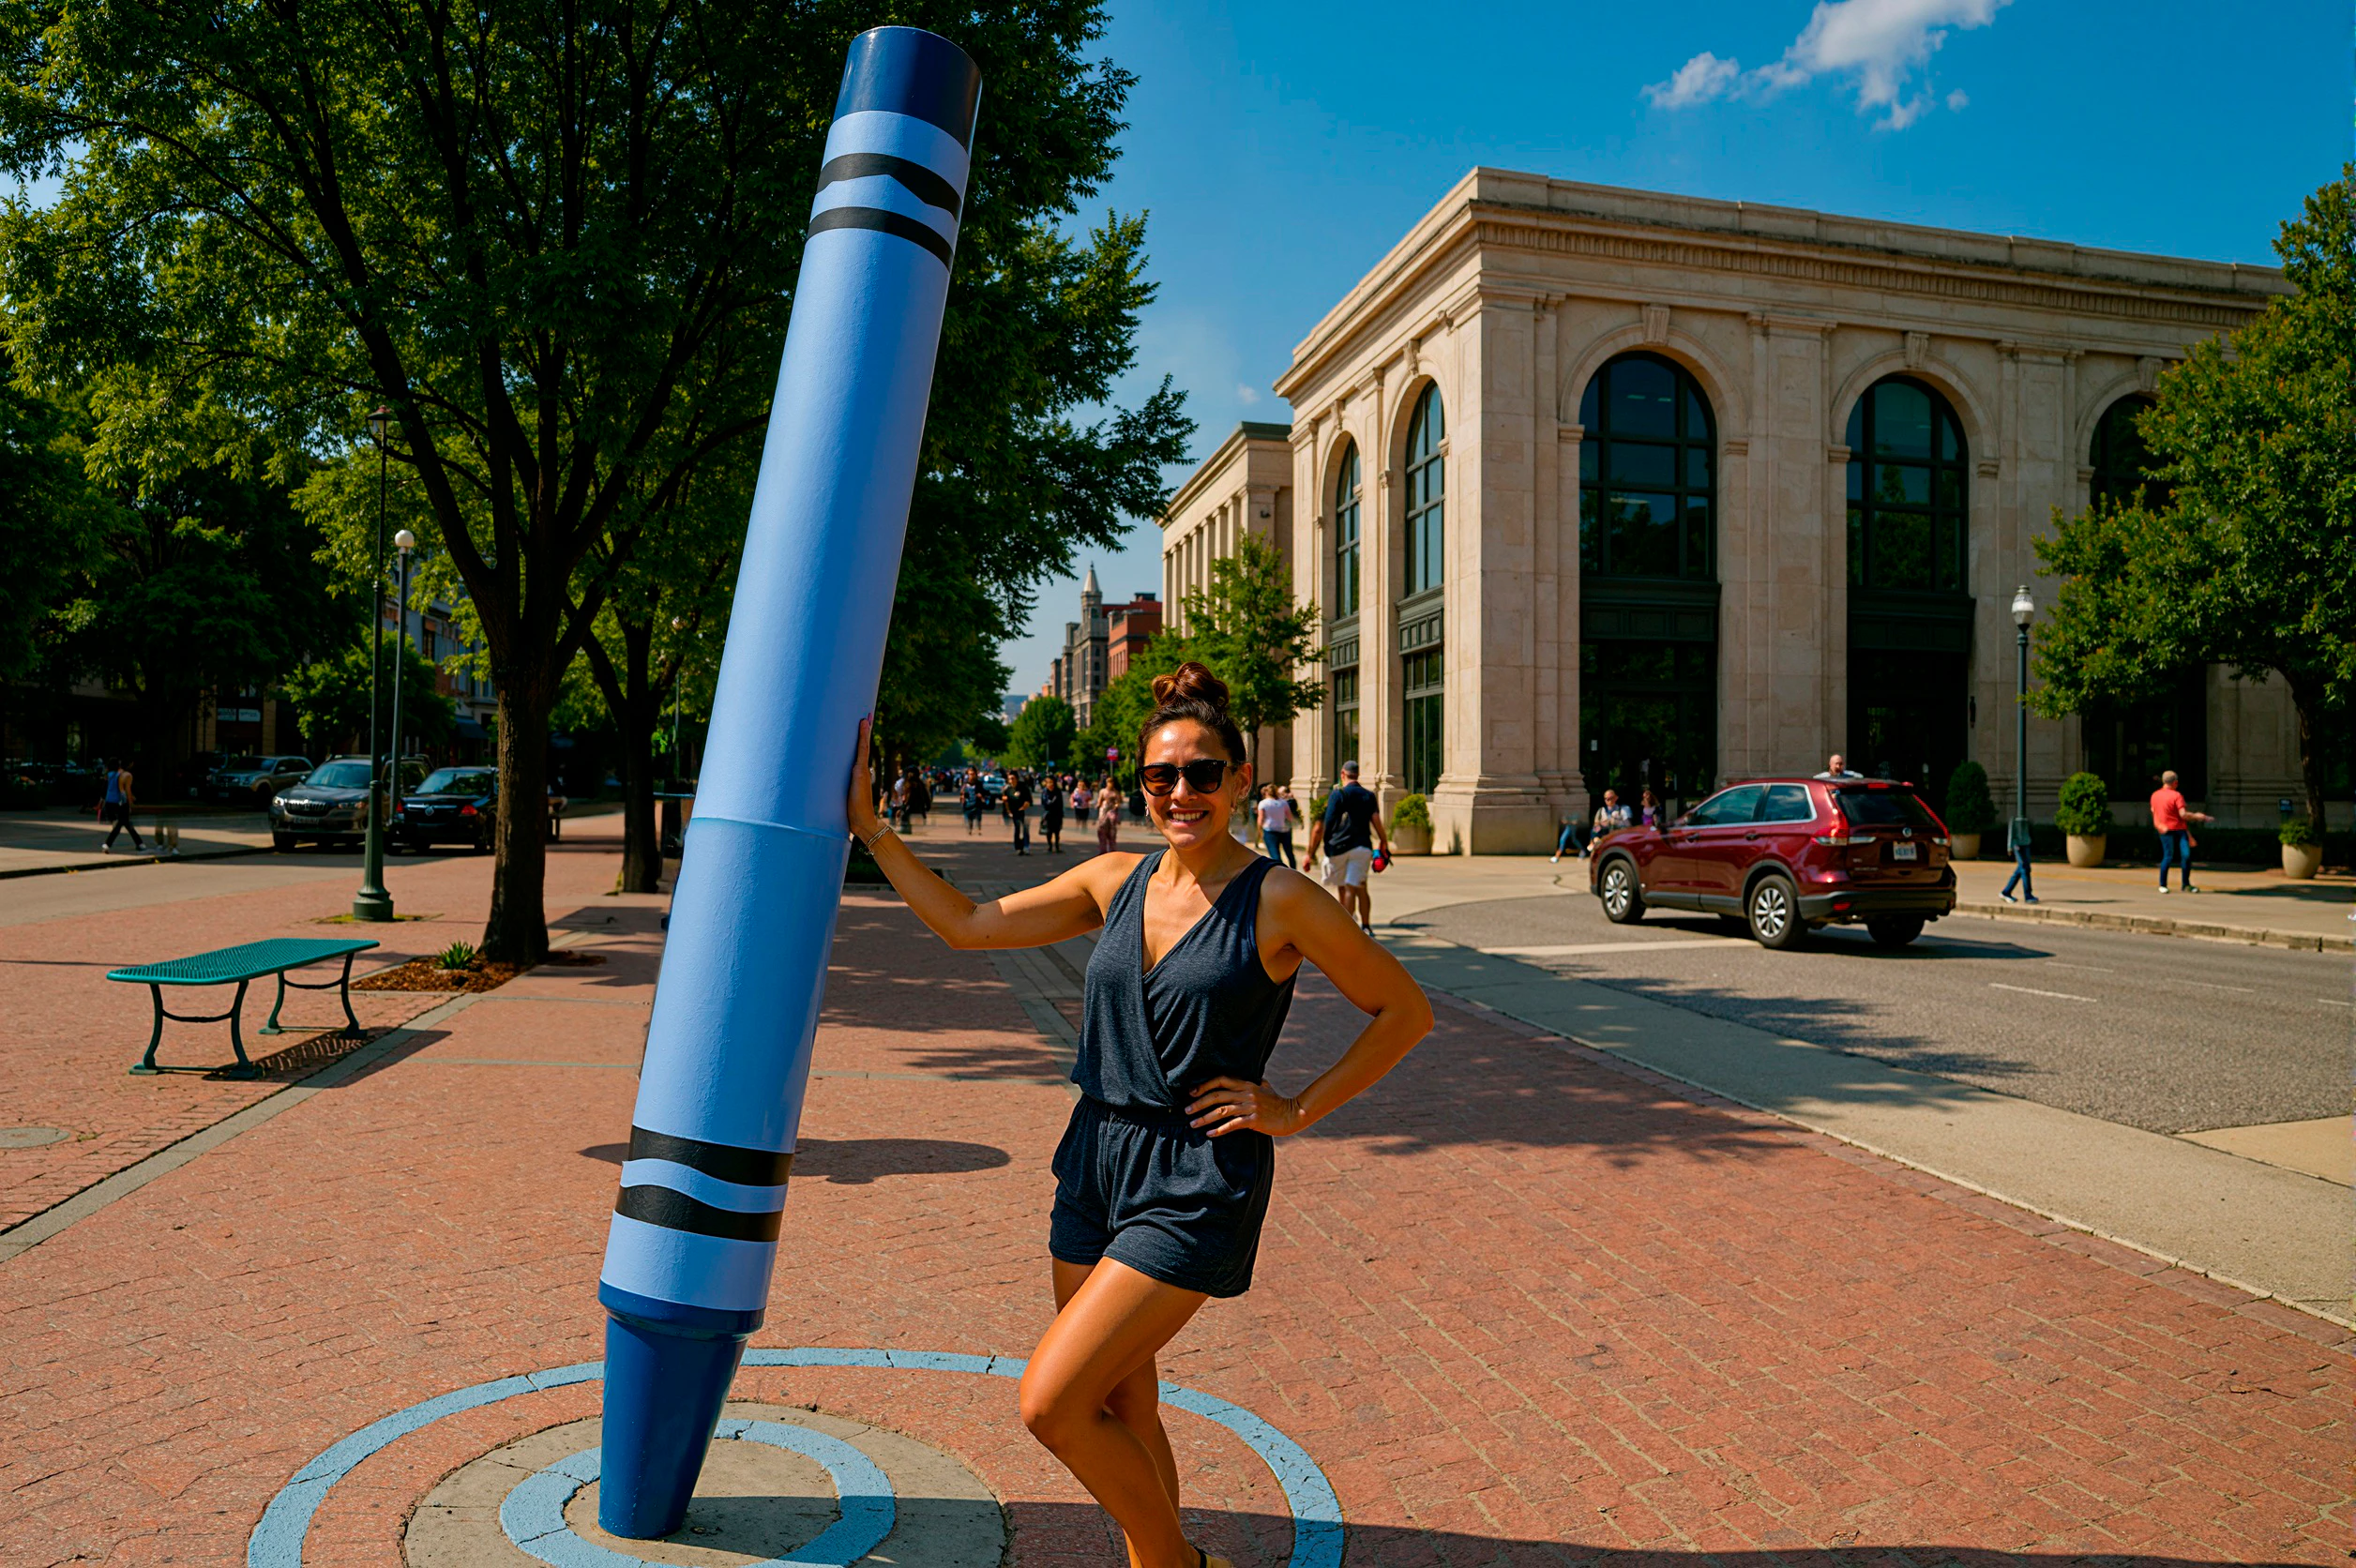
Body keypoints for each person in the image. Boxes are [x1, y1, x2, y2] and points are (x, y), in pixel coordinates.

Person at [843, 663, 1431, 1568]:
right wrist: (873, 828)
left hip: (1197, 1172)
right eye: (1162, 777)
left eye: (1203, 773)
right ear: (1142, 786)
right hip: (1095, 1157)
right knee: (1122, 1400)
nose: (1182, 792)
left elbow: (1404, 1010)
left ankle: (1176, 1566)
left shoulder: (1279, 897)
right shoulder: (1114, 878)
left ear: (1240, 780)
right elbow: (967, 922)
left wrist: (1298, 1108)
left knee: (1052, 1401)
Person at [1307, 761, 1390, 933]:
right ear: (1357, 774)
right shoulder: (1368, 795)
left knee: (1345, 887)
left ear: (1342, 774)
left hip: (1339, 847)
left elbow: (1327, 823)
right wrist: (1384, 842)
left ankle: (1346, 928)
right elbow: (1376, 821)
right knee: (1359, 885)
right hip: (1362, 846)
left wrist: (1318, 847)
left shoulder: (1338, 794)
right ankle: (1365, 925)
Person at [2150, 769, 2212, 894]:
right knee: (2186, 856)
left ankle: (2163, 884)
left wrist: (2158, 825)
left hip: (2166, 830)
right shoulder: (2177, 796)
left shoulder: (2155, 795)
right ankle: (2186, 884)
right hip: (2179, 830)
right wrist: (2198, 816)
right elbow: (2183, 815)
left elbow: (2154, 812)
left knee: (2168, 856)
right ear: (2175, 783)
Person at [99, 758, 145, 853]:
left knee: (125, 823)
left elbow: (105, 787)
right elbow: (124, 790)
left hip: (109, 801)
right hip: (119, 802)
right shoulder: (123, 775)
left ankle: (140, 843)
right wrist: (129, 802)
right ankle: (107, 844)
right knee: (122, 823)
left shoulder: (109, 775)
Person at [1999, 815, 2038, 904]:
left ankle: (2006, 892)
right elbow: (2011, 831)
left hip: (2026, 843)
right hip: (2017, 844)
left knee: (2023, 869)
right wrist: (2010, 846)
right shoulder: (2015, 815)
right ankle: (2027, 895)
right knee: (2024, 868)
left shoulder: (2026, 815)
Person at [1255, 784, 1296, 867]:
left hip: (1270, 830)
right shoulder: (1283, 802)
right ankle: (1293, 870)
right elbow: (1290, 817)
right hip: (1283, 830)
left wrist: (1259, 831)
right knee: (1289, 853)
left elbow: (1261, 819)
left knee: (1275, 855)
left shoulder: (1263, 803)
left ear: (1266, 793)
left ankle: (1281, 871)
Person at [1006, 770, 1033, 856]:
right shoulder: (1008, 789)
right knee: (1017, 830)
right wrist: (1009, 811)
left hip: (1024, 811)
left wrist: (1024, 806)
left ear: (1017, 779)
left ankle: (1026, 847)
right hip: (1015, 812)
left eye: (1013, 778)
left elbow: (1028, 800)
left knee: (1025, 829)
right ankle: (1018, 848)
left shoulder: (1023, 787)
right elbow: (1005, 800)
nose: (1011, 781)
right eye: (1009, 779)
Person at [1040, 777, 1065, 854]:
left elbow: (1061, 803)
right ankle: (1050, 846)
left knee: (1057, 831)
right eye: (1048, 783)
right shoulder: (1044, 792)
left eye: (1052, 782)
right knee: (1049, 831)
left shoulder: (1058, 791)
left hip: (1057, 814)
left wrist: (1061, 813)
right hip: (1048, 814)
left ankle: (1057, 846)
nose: (1050, 784)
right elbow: (1044, 803)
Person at [1095, 782, 1121, 855]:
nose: (1110, 785)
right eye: (1108, 783)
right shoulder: (1103, 791)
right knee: (1102, 829)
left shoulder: (1115, 792)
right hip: (1104, 810)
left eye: (1111, 783)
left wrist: (1116, 805)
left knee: (1112, 831)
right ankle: (1103, 850)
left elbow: (1118, 802)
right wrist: (1097, 806)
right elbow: (1100, 801)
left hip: (1112, 811)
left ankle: (1112, 850)